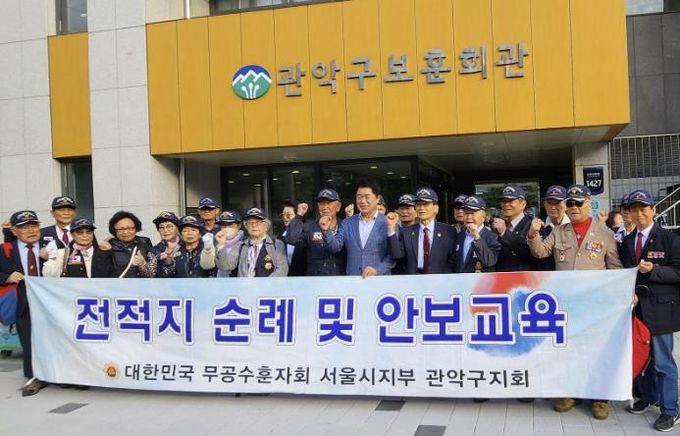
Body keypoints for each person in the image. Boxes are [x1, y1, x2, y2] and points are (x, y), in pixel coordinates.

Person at [527, 184, 622, 420]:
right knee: (568, 350)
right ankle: (569, 393)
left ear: (589, 204)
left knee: (596, 351)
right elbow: (540, 252)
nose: (574, 207)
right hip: (567, 304)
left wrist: (620, 295)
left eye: (579, 203)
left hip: (595, 305)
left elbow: (615, 269)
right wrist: (533, 234)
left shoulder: (605, 234)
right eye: (570, 203)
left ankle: (599, 398)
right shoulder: (559, 232)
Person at [620, 189, 680, 432]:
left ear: (653, 209)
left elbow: (677, 272)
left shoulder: (670, 239)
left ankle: (670, 410)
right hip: (637, 310)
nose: (639, 213)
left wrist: (654, 270)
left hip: (662, 310)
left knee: (663, 361)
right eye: (634, 209)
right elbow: (626, 274)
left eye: (643, 208)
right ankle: (648, 396)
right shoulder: (627, 241)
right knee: (643, 357)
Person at [0, 211, 47, 395]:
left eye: (34, 226)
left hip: (50, 303)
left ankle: (57, 373)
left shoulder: (50, 246)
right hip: (23, 302)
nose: (31, 231)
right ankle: (34, 376)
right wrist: (6, 277)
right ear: (14, 230)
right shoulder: (5, 250)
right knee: (28, 340)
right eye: (24, 227)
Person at [321, 178, 393, 277]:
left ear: (377, 199)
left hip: (380, 280)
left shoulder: (388, 222)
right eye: (359, 197)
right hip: (353, 280)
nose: (362, 201)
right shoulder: (347, 223)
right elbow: (335, 247)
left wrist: (377, 269)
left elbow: (393, 255)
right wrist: (326, 230)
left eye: (367, 197)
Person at [386, 188, 456, 274]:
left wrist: (443, 277)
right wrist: (391, 228)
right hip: (413, 278)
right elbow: (397, 255)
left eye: (425, 204)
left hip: (439, 278)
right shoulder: (406, 232)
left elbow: (453, 260)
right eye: (418, 205)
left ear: (435, 208)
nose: (421, 208)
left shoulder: (448, 231)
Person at [283, 189, 347, 276]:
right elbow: (291, 239)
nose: (324, 207)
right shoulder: (310, 227)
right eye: (321, 203)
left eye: (328, 203)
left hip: (341, 279)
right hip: (316, 280)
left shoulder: (345, 225)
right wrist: (299, 215)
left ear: (338, 207)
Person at [214, 208, 288, 277]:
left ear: (266, 226)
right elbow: (226, 266)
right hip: (244, 286)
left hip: (268, 286)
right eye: (250, 223)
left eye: (258, 222)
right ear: (246, 226)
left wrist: (266, 284)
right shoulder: (240, 245)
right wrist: (221, 245)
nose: (254, 225)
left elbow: (282, 269)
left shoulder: (276, 244)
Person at [97, 211, 154, 278]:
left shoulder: (145, 243)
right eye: (121, 229)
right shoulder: (107, 246)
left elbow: (153, 275)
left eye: (130, 228)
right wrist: (103, 253)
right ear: (114, 230)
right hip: (116, 284)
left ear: (136, 228)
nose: (125, 232)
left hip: (139, 284)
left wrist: (143, 265)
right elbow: (99, 274)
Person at [493, 184, 536, 272]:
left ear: (523, 204)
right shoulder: (497, 225)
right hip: (500, 276)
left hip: (522, 276)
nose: (506, 204)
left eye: (510, 201)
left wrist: (504, 233)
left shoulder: (532, 225)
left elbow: (530, 253)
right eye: (504, 201)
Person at [455, 195, 501, 273]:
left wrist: (477, 237)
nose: (469, 217)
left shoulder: (493, 237)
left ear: (483, 217)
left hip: (481, 280)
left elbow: (490, 262)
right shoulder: (458, 236)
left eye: (472, 214)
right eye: (466, 213)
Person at [536, 185, 570, 271]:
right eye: (550, 203)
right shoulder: (537, 227)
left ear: (566, 204)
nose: (553, 207)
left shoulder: (573, 226)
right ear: (545, 204)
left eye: (557, 203)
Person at [279, 201, 306, 276]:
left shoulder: (306, 233)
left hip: (304, 277)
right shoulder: (280, 236)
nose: (285, 217)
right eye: (283, 215)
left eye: (288, 215)